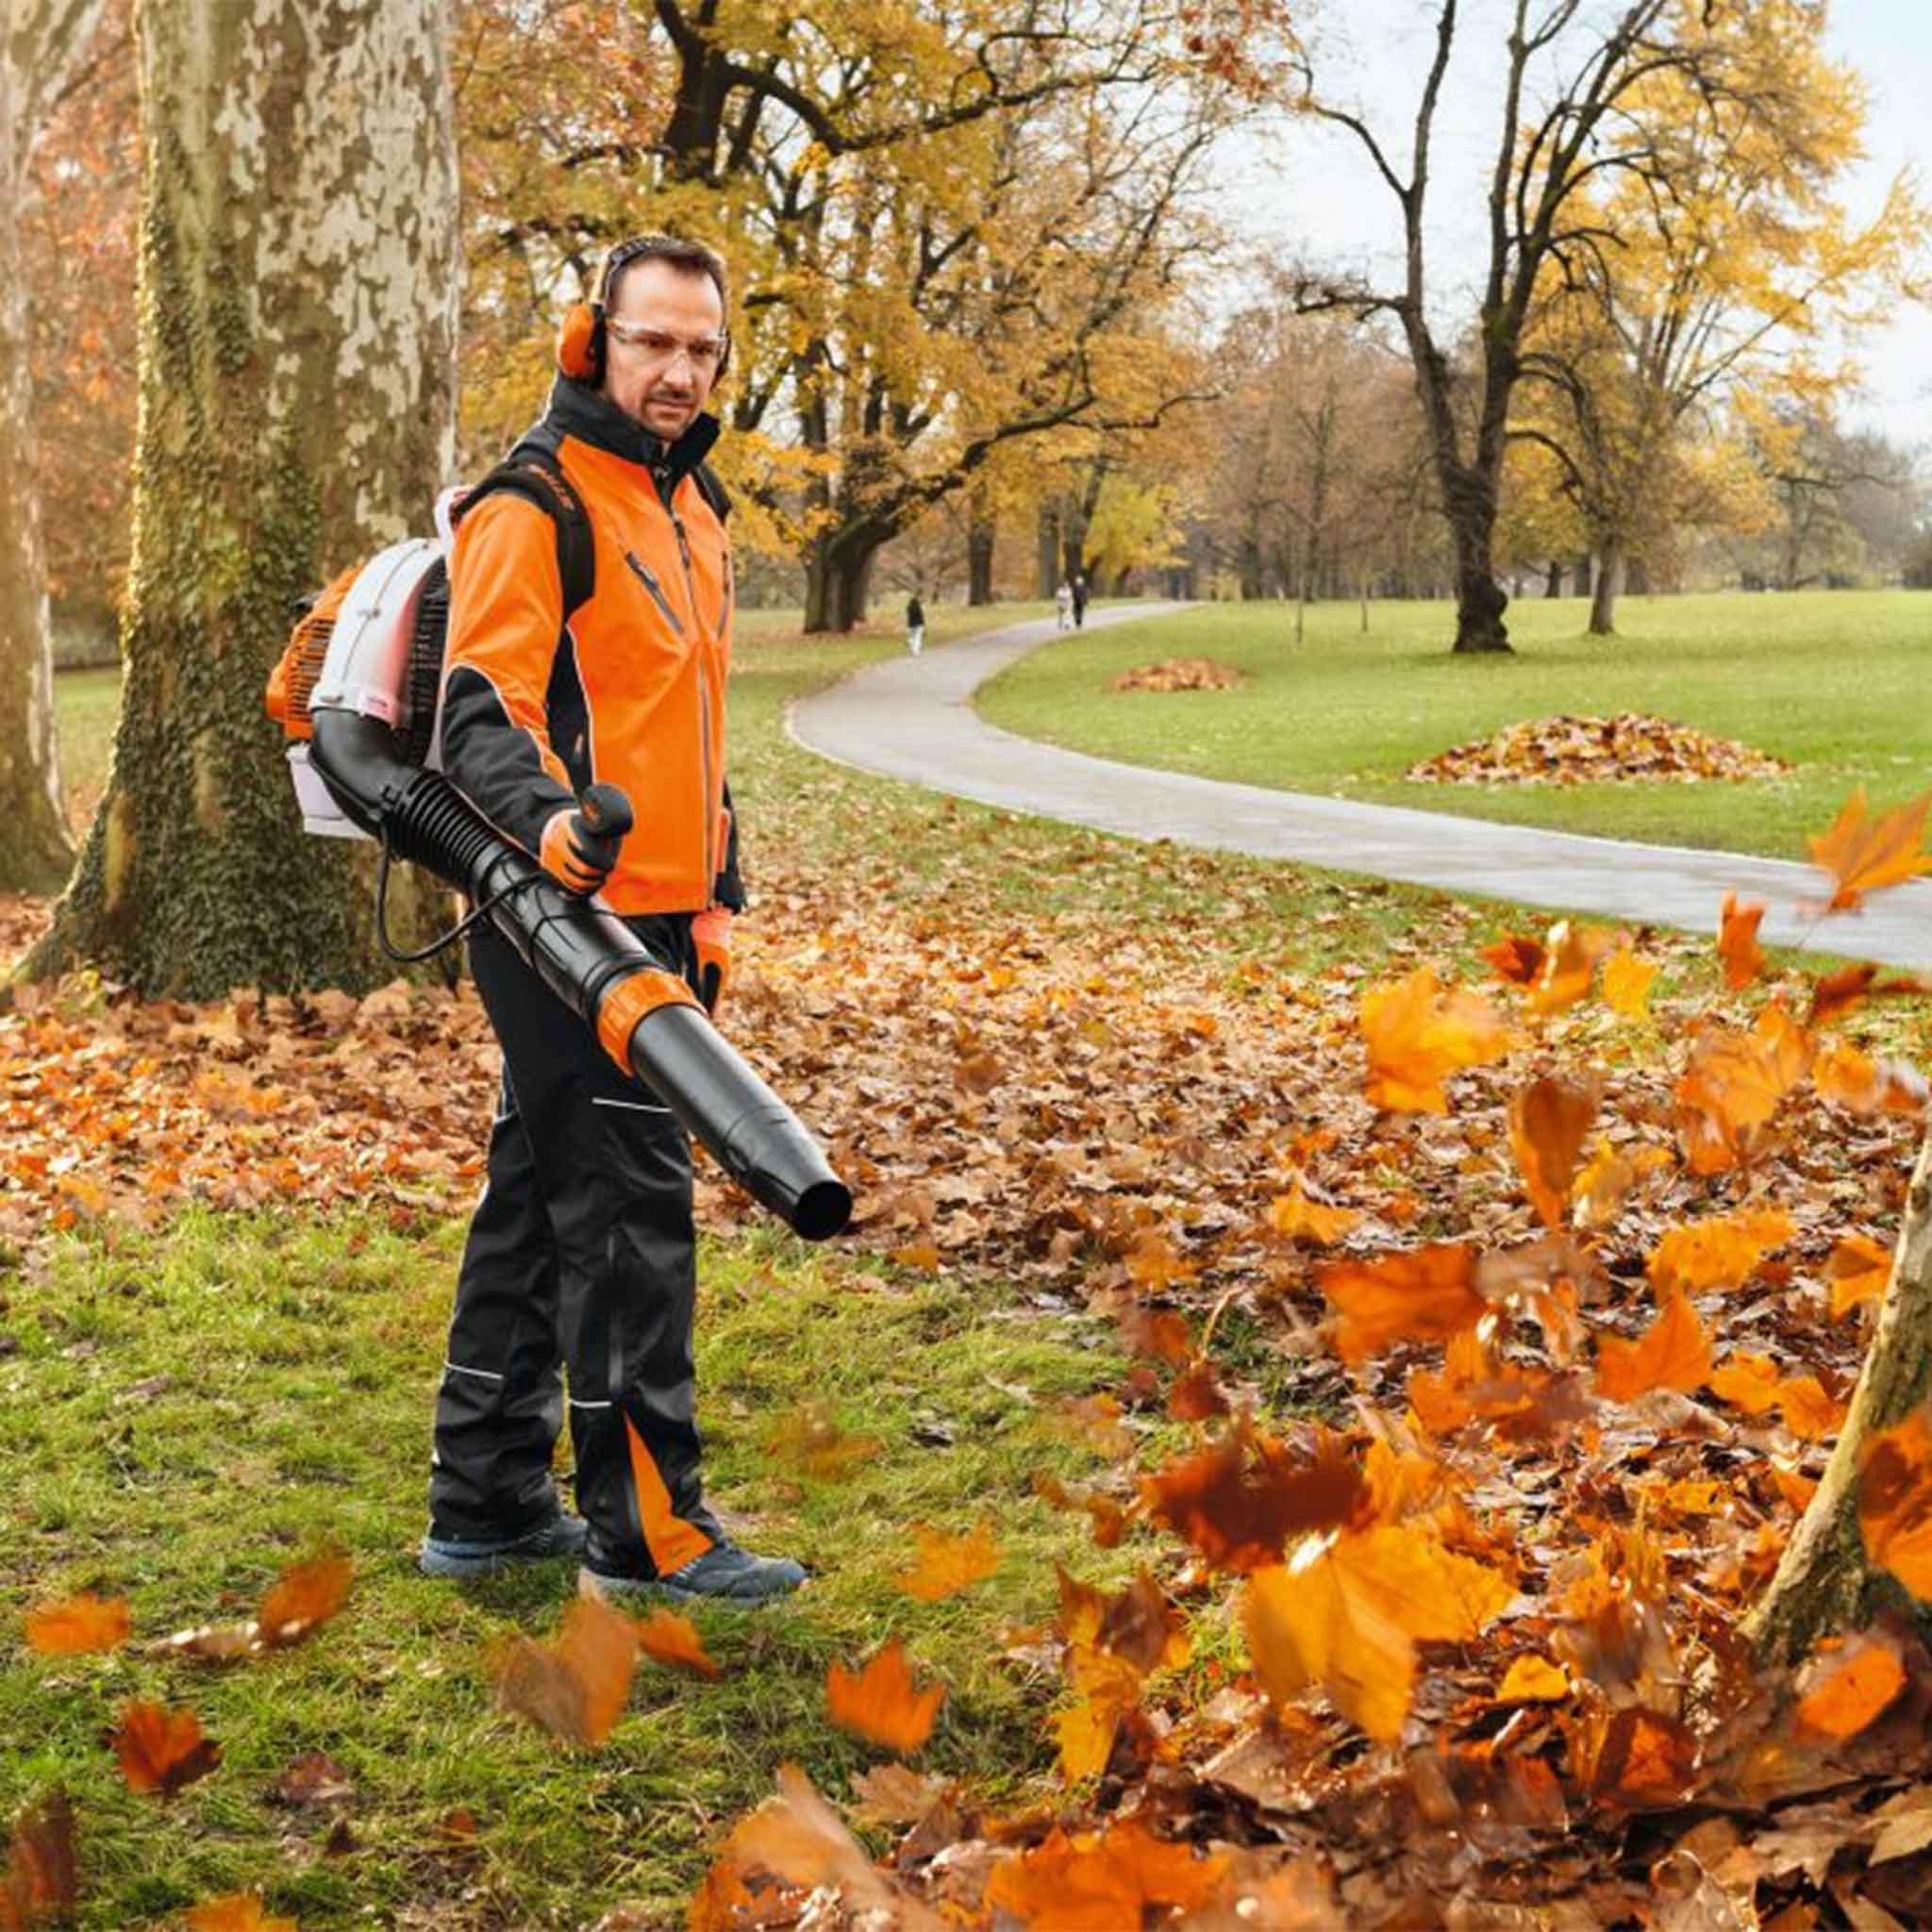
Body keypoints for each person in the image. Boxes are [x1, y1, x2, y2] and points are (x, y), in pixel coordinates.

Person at [418, 233, 807, 1604]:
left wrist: (718, 878)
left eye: (702, 348)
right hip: (566, 925)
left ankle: (482, 1500)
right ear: (594, 341)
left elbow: (677, 712)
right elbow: (483, 713)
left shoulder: (688, 504)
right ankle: (653, 1534)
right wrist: (554, 828)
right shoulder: (540, 504)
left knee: (539, 1198)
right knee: (634, 1218)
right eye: (652, 342)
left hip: (667, 913)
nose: (679, 370)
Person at [906, 590, 925, 657]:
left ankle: (911, 647)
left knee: (912, 637)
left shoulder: (908, 608)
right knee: (917, 638)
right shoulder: (919, 607)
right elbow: (922, 615)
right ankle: (915, 651)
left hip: (910, 624)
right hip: (919, 624)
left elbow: (908, 615)